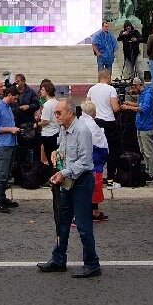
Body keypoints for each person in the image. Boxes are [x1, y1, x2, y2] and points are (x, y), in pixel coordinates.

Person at [37, 98, 100, 278]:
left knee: (82, 225)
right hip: (67, 181)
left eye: (59, 113)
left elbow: (85, 161)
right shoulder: (63, 129)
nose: (55, 116)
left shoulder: (82, 131)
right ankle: (58, 260)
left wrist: (64, 172)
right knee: (62, 221)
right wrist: (56, 153)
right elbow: (64, 150)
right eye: (55, 113)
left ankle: (92, 263)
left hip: (81, 181)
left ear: (70, 113)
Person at [0, 86, 20, 213]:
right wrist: (11, 129)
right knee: (2, 173)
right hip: (4, 144)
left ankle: (2, 198)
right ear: (9, 95)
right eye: (15, 97)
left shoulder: (8, 108)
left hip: (11, 143)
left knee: (7, 173)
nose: (16, 100)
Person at [79, 100, 110, 222]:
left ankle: (94, 212)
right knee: (93, 187)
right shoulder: (93, 126)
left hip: (87, 159)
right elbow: (101, 144)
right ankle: (91, 213)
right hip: (94, 159)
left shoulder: (81, 122)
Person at [86, 75, 120, 183]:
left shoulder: (91, 89)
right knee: (112, 150)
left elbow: (87, 106)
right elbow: (115, 108)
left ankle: (95, 175)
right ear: (108, 77)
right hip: (109, 122)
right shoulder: (111, 89)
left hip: (96, 122)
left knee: (95, 149)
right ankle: (110, 176)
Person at [37, 80, 60, 166]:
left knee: (51, 160)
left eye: (42, 90)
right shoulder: (56, 102)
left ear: (47, 91)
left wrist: (36, 124)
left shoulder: (47, 105)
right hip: (56, 132)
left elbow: (45, 121)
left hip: (48, 134)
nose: (40, 92)